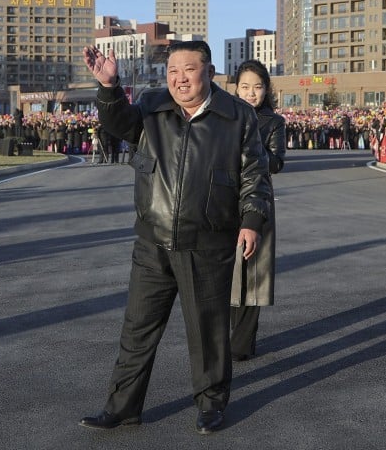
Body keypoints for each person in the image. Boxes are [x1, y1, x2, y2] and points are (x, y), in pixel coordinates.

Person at [78, 41, 272, 436]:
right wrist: (109, 88)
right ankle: (122, 407)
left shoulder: (238, 116)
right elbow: (118, 124)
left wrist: (251, 220)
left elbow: (255, 174)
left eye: (188, 69)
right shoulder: (152, 106)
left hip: (209, 240)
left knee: (208, 330)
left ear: (209, 71)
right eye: (172, 71)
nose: (179, 79)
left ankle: (211, 404)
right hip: (153, 242)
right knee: (137, 329)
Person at [229, 59, 286, 362]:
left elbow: (276, 163)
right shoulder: (222, 117)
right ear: (235, 88)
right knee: (224, 269)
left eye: (258, 87)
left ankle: (242, 341)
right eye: (245, 87)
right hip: (223, 197)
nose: (251, 93)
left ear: (266, 90)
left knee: (252, 270)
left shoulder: (273, 122)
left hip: (257, 198)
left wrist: (253, 151)